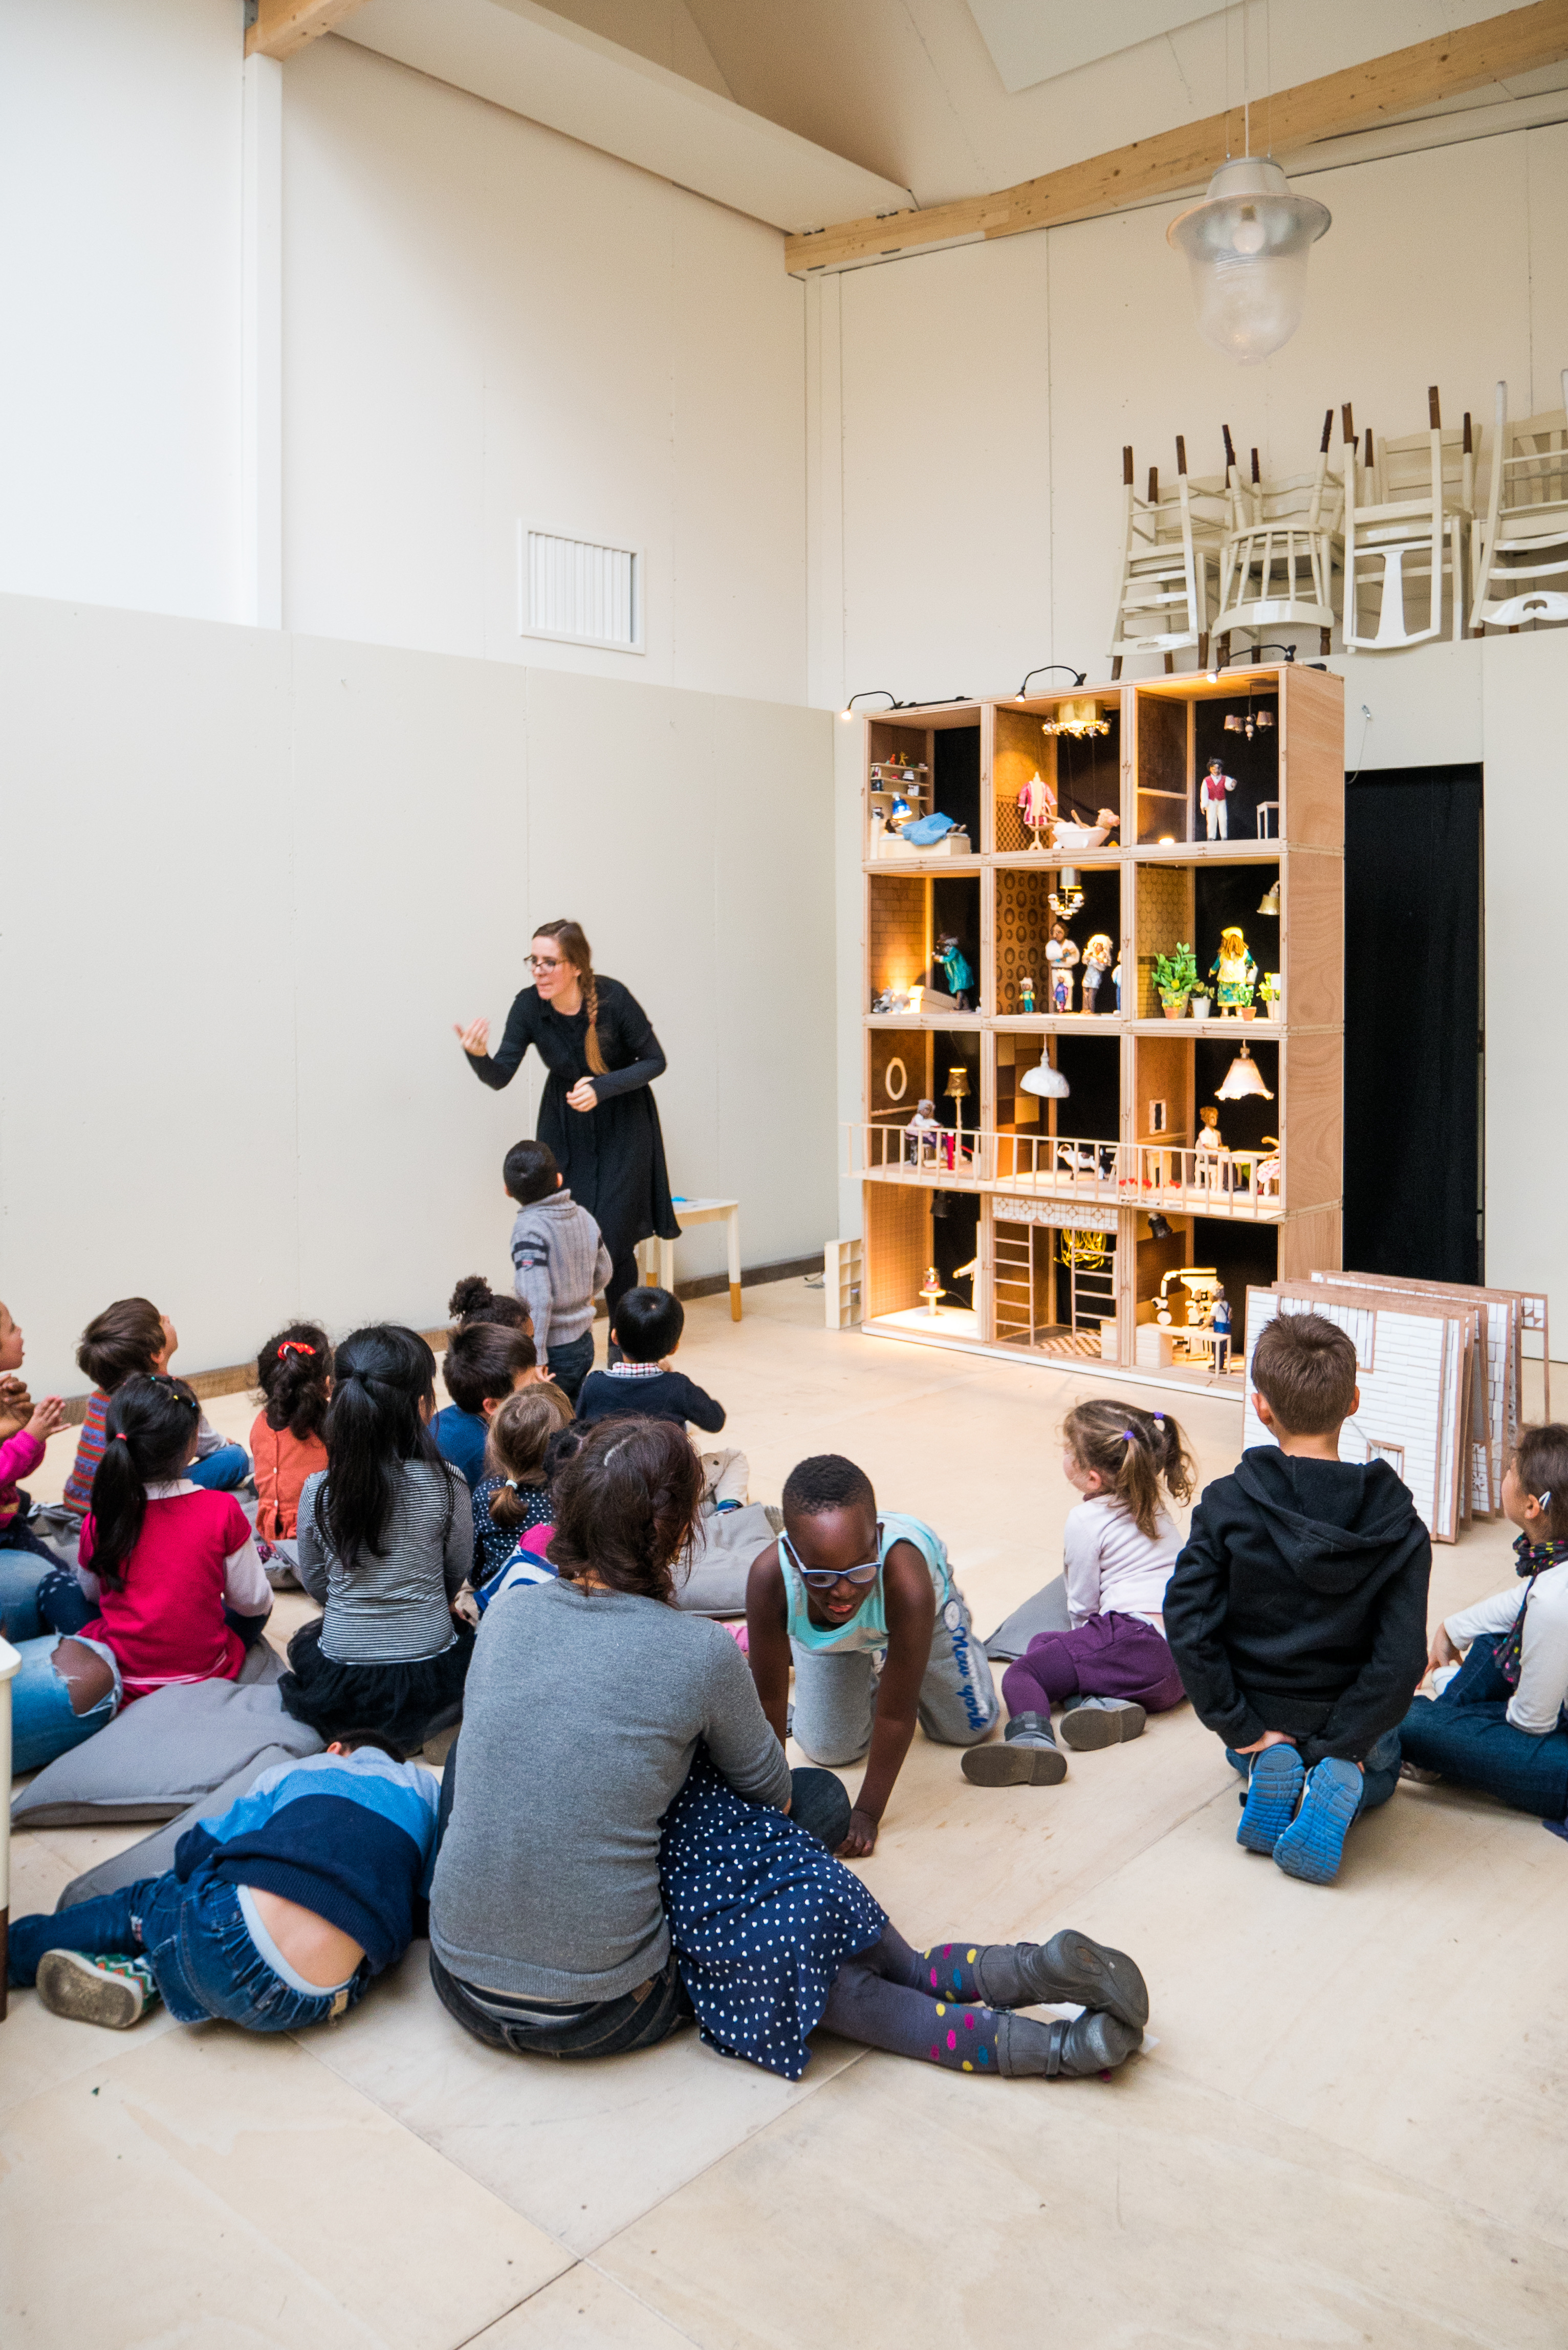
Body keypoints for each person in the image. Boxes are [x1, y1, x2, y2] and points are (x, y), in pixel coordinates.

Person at [430, 1420, 1147, 2082]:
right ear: (682, 1534)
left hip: (459, 1983)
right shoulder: (698, 1649)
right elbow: (771, 1793)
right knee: (766, 1870)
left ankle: (1046, 2043)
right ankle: (994, 1989)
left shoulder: (510, 1613)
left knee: (493, 1764)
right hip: (605, 2011)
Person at [1163, 1311, 1431, 1885]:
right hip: (1355, 1729)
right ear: (1353, 1400)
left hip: (1262, 1722)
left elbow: (1187, 1622)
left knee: (1263, 1756)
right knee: (1383, 1772)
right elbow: (1402, 1658)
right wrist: (1345, 1743)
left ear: (1261, 1406)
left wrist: (1239, 1726)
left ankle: (1268, 1770)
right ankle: (1332, 1782)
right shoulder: (1401, 1526)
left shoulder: (1227, 1506)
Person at [8, 1735, 439, 2031]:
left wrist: (183, 1880)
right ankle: (145, 1975)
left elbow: (201, 1847)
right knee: (363, 1939)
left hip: (226, 1935)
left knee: (151, 1901)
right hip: (314, 2001)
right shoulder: (427, 1795)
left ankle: (13, 1955)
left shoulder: (309, 1767)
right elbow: (424, 1908)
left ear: (337, 1749)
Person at [8, 1374, 273, 1775]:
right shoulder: (222, 1511)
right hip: (207, 1669)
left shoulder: (103, 1519)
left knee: (54, 1584)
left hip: (125, 1673)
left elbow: (94, 1596)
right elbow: (253, 1602)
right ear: (190, 1446)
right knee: (260, 1605)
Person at [745, 1455, 998, 1857]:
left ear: (877, 1541)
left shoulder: (909, 1582)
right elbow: (769, 1701)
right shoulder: (769, 1580)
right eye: (822, 1576)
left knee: (970, 1727)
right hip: (834, 1636)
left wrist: (867, 1811)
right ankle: (876, 1661)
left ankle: (941, 1638)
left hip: (918, 1618)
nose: (843, 1592)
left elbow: (897, 1715)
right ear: (793, 1557)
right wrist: (768, 1803)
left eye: (859, 1570)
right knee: (831, 1751)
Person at [454, 919, 681, 1346]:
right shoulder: (528, 1006)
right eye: (533, 961)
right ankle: (561, 1344)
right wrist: (478, 1056)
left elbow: (655, 1061)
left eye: (549, 962)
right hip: (564, 1125)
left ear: (575, 965)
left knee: (613, 1242)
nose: (538, 970)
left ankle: (627, 1349)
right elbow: (500, 1074)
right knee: (561, 1232)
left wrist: (601, 1088)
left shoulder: (613, 998)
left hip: (623, 1125)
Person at [964, 1400, 1195, 1789]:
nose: (1065, 1455)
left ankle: (1032, 1743)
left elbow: (1083, 1601)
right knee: (1042, 1644)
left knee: (1025, 1673)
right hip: (1183, 1663)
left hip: (1135, 1641)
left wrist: (1082, 1639)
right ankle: (1108, 1708)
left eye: (1069, 1450)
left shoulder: (1086, 1520)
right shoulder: (1150, 1501)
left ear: (1092, 1479)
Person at [280, 1325, 473, 1755]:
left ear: (336, 1395)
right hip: (430, 1662)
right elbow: (454, 1572)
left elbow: (316, 1584)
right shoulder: (448, 1484)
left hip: (343, 1670)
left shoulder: (319, 1490)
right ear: (423, 1405)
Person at [1397, 1423, 1568, 1820]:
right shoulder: (1554, 1572)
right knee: (1495, 1637)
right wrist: (1450, 1629)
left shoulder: (1554, 1599)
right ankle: (1442, 1746)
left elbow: (1530, 1724)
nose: (1503, 1476)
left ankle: (1436, 1742)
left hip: (1556, 1749)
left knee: (1410, 1719)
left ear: (1531, 1506)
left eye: (1510, 1471)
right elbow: (1521, 1602)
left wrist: (1447, 1685)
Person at [62, 1297, 249, 1515]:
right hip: (131, 1507)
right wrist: (223, 1444)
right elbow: (211, 1446)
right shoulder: (173, 1394)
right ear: (156, 1354)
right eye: (161, 1321)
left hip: (83, 1501)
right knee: (235, 1458)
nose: (168, 1318)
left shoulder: (98, 1396)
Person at [503, 1138, 612, 1404]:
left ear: (507, 1190)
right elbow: (606, 1270)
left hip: (553, 1349)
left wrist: (536, 1356)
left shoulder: (529, 1229)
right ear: (560, 1179)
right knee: (572, 1409)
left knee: (549, 1420)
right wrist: (580, 1293)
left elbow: (537, 1299)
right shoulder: (585, 1217)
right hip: (585, 1341)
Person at [0, 1299, 72, 1642]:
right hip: (5, 1529)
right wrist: (29, 1436)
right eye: (12, 1328)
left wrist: (34, 1435)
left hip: (9, 1517)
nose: (21, 1332)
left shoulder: (5, 1396)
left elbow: (16, 1471)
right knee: (62, 1579)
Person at [577, 1288, 725, 1437]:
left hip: (610, 1459)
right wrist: (669, 1378)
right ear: (674, 1348)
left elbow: (580, 1427)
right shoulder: (678, 1387)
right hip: (664, 1459)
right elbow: (716, 1420)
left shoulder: (594, 1384)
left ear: (614, 1337)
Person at [471, 1381, 575, 1591]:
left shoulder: (486, 1494)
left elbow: (475, 1569)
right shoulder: (570, 1497)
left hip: (497, 1600)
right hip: (557, 1600)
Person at [250, 1322, 333, 1587]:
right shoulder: (335, 1426)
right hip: (313, 1543)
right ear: (328, 1384)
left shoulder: (260, 1423)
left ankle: (269, 1561)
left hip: (269, 1532)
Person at [432, 1319, 539, 1491]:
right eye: (530, 1387)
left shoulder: (445, 1416)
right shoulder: (490, 1458)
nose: (539, 1388)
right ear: (493, 1406)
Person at [1202, 757, 1236, 840]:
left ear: (1221, 769)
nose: (1216, 770)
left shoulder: (1225, 778)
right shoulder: (1207, 780)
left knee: (1223, 818)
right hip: (1211, 802)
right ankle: (1211, 837)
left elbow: (1229, 786)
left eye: (1218, 768)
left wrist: (1232, 785)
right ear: (1210, 769)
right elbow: (1204, 793)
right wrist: (1204, 805)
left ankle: (1224, 836)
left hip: (1221, 801)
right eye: (1214, 768)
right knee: (1211, 819)